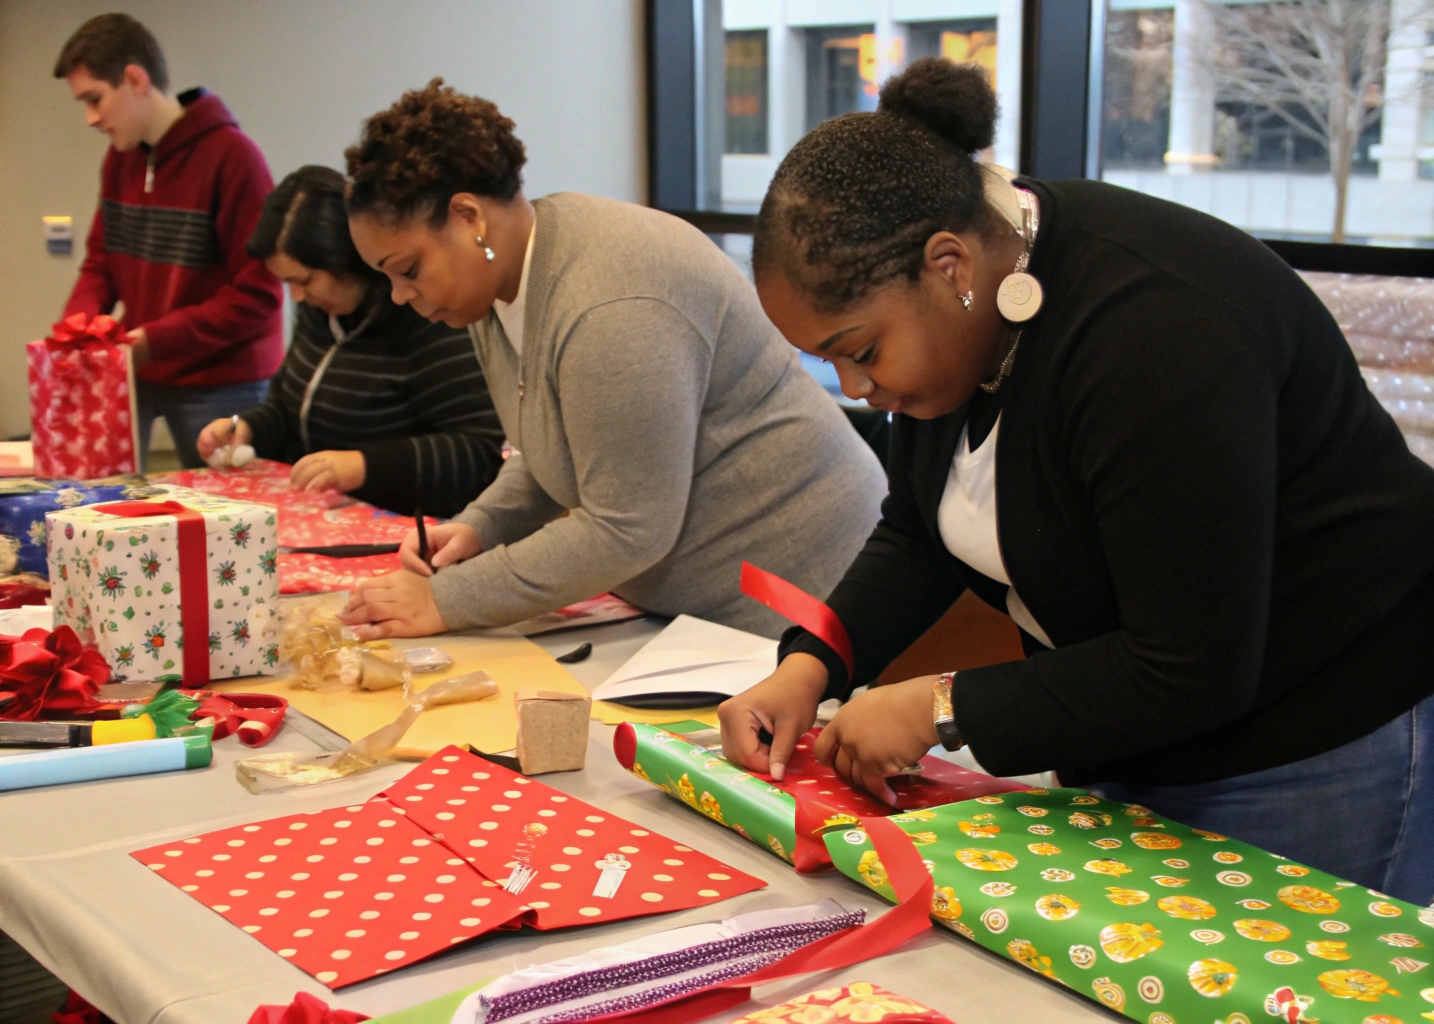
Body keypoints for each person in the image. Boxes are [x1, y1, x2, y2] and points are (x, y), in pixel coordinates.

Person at [719, 59, 1434, 904]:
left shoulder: (1154, 334)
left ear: (949, 267)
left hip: (1315, 729)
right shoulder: (969, 316)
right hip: (1143, 727)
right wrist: (813, 664)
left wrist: (942, 707)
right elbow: (920, 531)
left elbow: (1191, 665)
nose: (855, 387)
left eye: (862, 351)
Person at [336, 80, 886, 639]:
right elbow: (560, 447)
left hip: (795, 589)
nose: (400, 296)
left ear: (468, 217)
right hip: (695, 601)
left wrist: (448, 598)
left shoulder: (610, 301)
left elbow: (628, 527)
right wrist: (482, 527)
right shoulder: (495, 285)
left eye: (407, 270)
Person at [195, 166, 505, 518]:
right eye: (288, 283)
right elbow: (292, 407)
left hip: (413, 525)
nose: (297, 297)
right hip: (325, 516)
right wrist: (248, 428)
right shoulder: (322, 313)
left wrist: (363, 466)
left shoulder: (430, 320)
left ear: (347, 259)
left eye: (304, 281)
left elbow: (479, 449)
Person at [54, 13, 282, 469]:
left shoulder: (234, 157)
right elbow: (101, 263)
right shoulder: (119, 161)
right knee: (110, 496)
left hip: (221, 380)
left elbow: (258, 293)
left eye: (95, 99)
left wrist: (155, 339)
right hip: (140, 368)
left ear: (135, 79)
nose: (91, 118)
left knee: (226, 510)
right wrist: (76, 330)